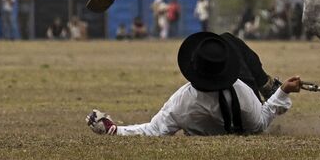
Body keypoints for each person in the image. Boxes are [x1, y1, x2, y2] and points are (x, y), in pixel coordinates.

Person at [86, 32, 301, 136]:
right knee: (227, 38)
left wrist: (113, 130)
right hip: (245, 102)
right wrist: (282, 92)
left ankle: (268, 85)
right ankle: (267, 83)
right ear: (225, 68)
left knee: (225, 39)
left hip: (210, 118)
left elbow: (153, 130)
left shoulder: (182, 103)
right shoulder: (243, 94)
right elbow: (260, 123)